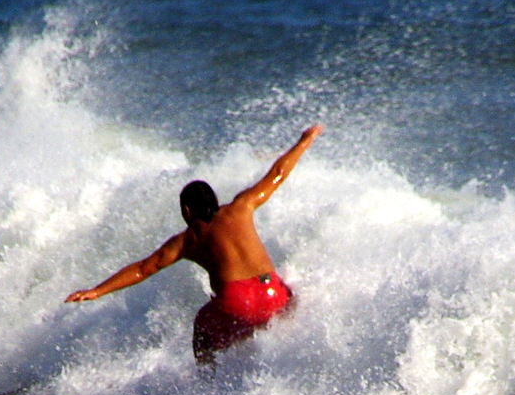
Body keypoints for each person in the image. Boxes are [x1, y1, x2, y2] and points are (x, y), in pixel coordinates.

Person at [65, 125, 323, 365]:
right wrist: (304, 141)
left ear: (187, 211)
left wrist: (97, 291)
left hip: (237, 304)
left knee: (203, 329)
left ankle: (209, 388)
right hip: (273, 294)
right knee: (294, 291)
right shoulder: (242, 206)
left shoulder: (188, 240)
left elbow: (143, 269)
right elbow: (277, 173)